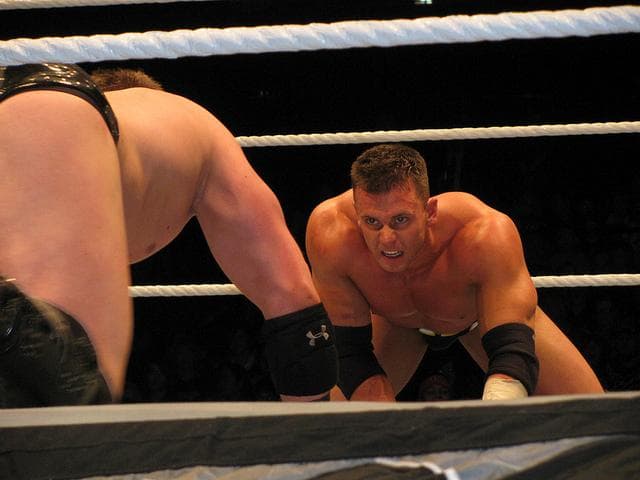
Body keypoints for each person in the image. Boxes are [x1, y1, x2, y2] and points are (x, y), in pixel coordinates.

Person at [0, 63, 337, 407]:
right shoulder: (191, 121)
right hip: (45, 112)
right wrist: (313, 430)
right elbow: (293, 298)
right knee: (76, 396)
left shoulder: (122, 162)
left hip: (19, 98)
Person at [305, 143, 604, 401]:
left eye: (401, 220)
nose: (387, 239)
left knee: (591, 416)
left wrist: (492, 416)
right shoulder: (332, 235)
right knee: (332, 428)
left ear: (430, 211)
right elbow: (349, 351)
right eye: (372, 222)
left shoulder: (483, 234)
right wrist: (383, 419)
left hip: (477, 319)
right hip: (396, 324)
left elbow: (513, 349)